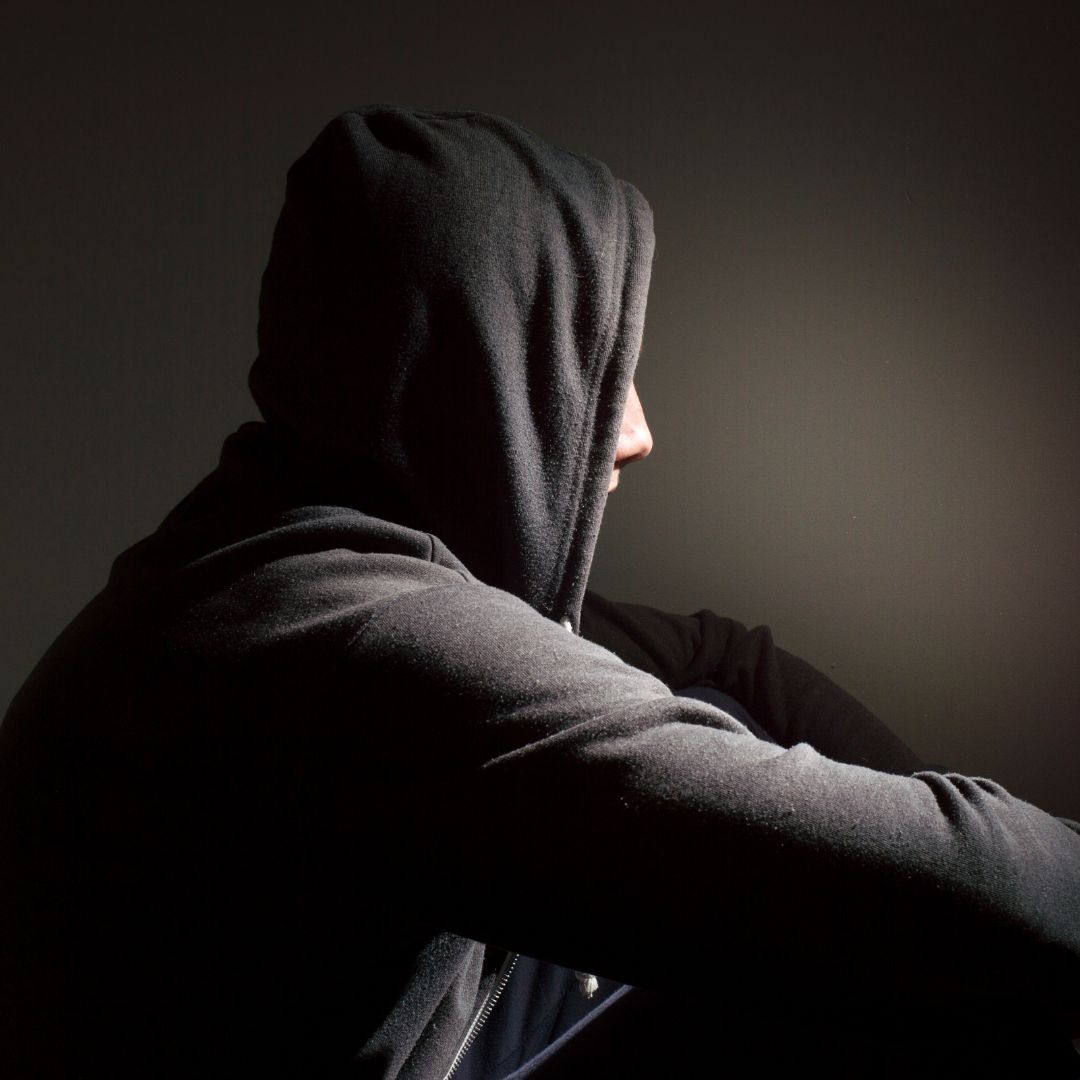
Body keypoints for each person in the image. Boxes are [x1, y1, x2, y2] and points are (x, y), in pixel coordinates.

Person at [1, 105, 1078, 1079]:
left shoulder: (254, 557)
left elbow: (714, 654)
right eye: (595, 368)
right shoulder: (358, 647)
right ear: (474, 367)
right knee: (946, 967)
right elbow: (991, 889)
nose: (641, 432)